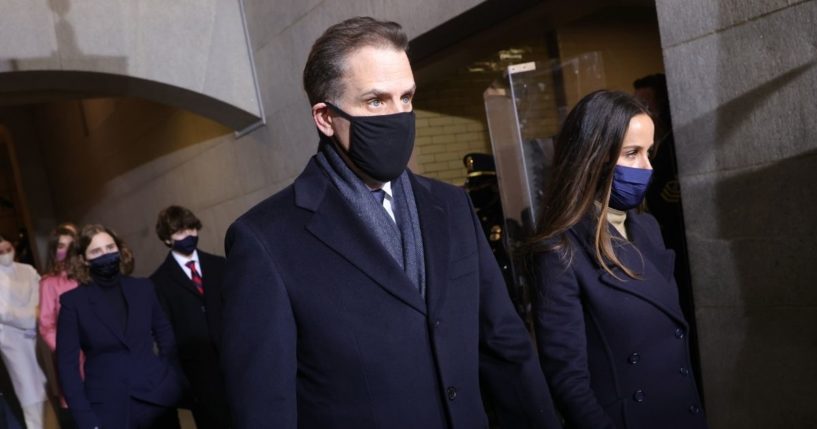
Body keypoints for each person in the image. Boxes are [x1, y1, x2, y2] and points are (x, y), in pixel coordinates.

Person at [220, 16, 559, 429]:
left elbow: (505, 347)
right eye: (376, 101)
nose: (398, 116)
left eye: (406, 98)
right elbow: (265, 409)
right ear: (326, 118)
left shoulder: (452, 207)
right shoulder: (265, 240)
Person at [530, 90, 708, 428]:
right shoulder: (560, 249)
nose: (648, 167)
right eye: (632, 153)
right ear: (593, 157)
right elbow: (568, 382)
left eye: (649, 152)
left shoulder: (647, 228)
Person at [57, 224, 185, 429]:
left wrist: (168, 377)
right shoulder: (73, 303)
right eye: (96, 251)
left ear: (119, 249)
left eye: (110, 248)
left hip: (157, 397)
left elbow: (165, 335)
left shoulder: (143, 288)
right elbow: (67, 367)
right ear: (83, 259)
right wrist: (85, 419)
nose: (105, 254)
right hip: (110, 408)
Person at [150, 206, 229, 428]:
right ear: (167, 238)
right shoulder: (158, 282)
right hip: (197, 375)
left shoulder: (220, 265)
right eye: (180, 232)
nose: (189, 236)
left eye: (192, 228)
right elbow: (165, 334)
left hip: (232, 363)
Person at [0, 234, 47, 428]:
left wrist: (35, 314)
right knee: (28, 391)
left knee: (47, 387)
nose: (5, 254)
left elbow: (40, 296)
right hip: (11, 340)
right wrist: (31, 316)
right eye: (0, 252)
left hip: (39, 334)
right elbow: (3, 312)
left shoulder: (27, 269)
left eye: (8, 250)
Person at [38, 223, 81, 429]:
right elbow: (46, 325)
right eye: (61, 246)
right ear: (54, 250)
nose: (67, 251)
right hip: (71, 355)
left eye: (71, 246)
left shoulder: (87, 276)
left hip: (99, 351)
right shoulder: (48, 283)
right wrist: (65, 349)